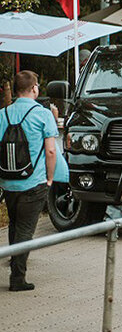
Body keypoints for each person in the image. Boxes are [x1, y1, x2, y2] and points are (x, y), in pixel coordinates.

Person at [0, 71, 59, 291]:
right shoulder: (42, 114)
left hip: (8, 181)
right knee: (25, 229)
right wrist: (50, 179)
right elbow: (51, 151)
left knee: (15, 224)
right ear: (34, 88)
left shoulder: (2, 114)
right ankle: (17, 278)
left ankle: (13, 261)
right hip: (33, 182)